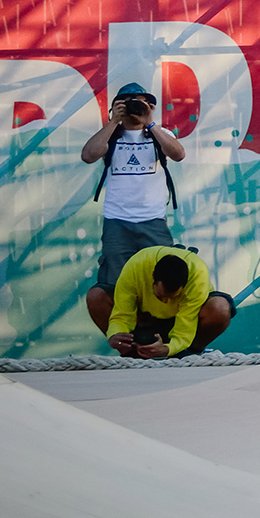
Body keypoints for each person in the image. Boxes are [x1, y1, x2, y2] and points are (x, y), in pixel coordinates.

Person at [79, 81, 183, 334]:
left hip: (153, 220)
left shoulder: (160, 133)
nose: (134, 107)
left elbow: (178, 154)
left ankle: (161, 336)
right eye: (128, 102)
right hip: (117, 221)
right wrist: (114, 122)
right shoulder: (111, 135)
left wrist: (149, 123)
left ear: (151, 106)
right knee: (114, 284)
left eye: (140, 102)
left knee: (162, 279)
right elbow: (88, 155)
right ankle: (127, 338)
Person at [103, 246, 235, 359]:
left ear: (185, 286)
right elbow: (122, 315)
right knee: (96, 296)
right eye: (160, 296)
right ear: (152, 277)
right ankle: (133, 352)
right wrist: (114, 335)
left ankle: (191, 352)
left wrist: (168, 349)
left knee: (220, 307)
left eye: (174, 297)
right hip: (147, 319)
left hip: (188, 322)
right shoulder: (136, 266)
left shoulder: (197, 276)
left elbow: (185, 328)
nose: (165, 301)